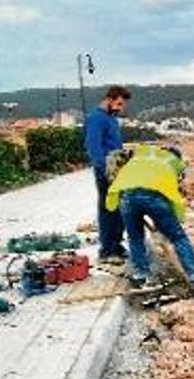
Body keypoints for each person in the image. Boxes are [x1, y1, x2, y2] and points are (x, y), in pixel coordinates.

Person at [105, 144, 194, 297]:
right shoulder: (174, 164)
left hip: (127, 197)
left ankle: (142, 276)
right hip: (154, 199)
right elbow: (171, 195)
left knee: (136, 238)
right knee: (179, 238)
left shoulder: (144, 156)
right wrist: (169, 224)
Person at [85, 85, 131, 264]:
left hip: (117, 168)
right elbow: (93, 146)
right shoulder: (96, 118)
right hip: (105, 169)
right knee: (107, 207)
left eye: (122, 105)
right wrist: (104, 168)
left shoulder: (111, 118)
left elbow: (113, 144)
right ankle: (107, 249)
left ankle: (116, 245)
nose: (120, 108)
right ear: (109, 99)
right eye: (119, 104)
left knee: (119, 208)